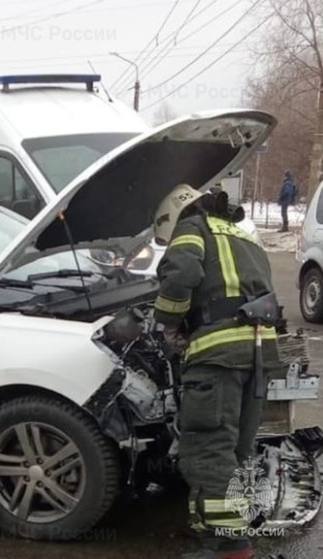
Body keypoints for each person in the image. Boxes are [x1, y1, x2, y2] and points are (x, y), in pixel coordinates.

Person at [152, 184, 283, 559]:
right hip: (260, 353)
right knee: (235, 451)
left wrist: (167, 324)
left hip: (220, 355)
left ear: (172, 216)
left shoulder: (191, 230)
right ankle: (221, 536)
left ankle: (230, 546)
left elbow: (179, 279)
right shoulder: (240, 233)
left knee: (208, 450)